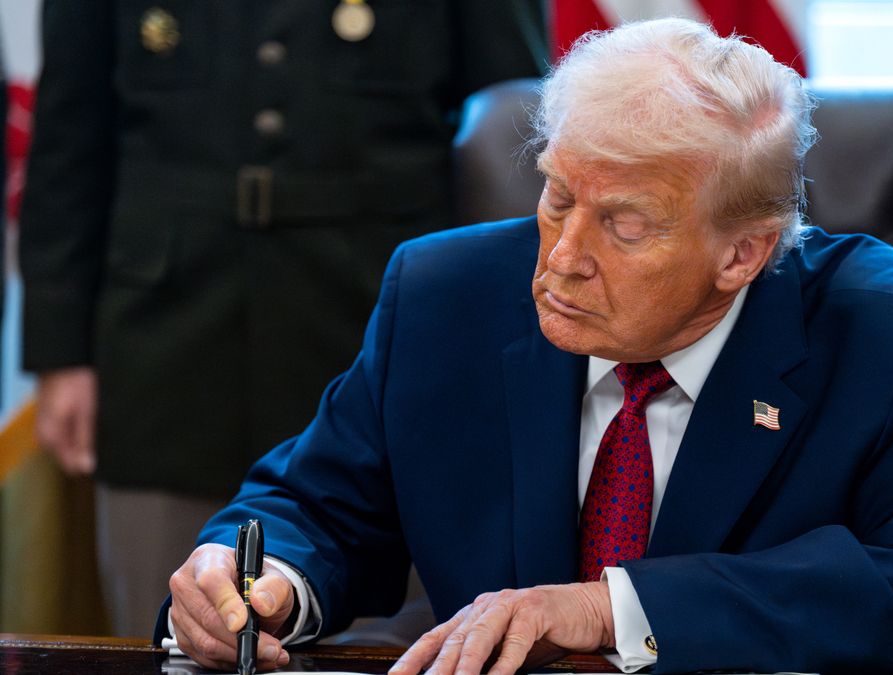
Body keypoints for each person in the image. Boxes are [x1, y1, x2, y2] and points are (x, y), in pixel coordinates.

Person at [160, 18, 893, 674]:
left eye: (625, 224)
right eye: (559, 196)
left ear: (742, 253)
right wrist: (260, 577)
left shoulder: (889, 338)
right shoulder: (444, 296)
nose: (563, 258)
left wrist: (611, 609)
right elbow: (316, 502)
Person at [19, 0, 545, 636]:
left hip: (376, 334)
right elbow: (68, 141)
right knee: (172, 627)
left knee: (388, 623)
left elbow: (517, 132)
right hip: (162, 337)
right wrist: (61, 351)